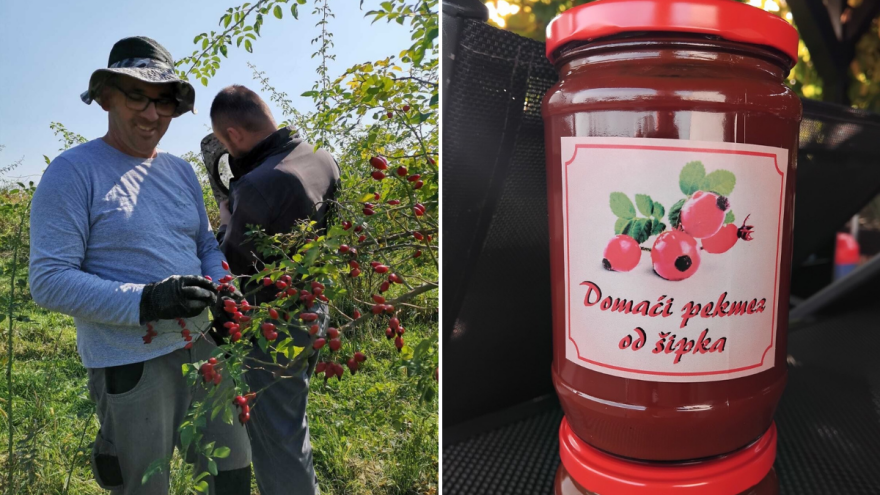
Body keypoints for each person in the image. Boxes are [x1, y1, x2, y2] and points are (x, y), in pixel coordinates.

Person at [28, 36, 251, 495]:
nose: (152, 114)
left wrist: (223, 285)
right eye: (136, 97)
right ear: (107, 97)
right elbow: (48, 281)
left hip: (203, 348)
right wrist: (148, 300)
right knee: (145, 486)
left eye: (164, 102)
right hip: (130, 362)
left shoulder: (180, 171)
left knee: (231, 475)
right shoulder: (74, 172)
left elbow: (205, 243)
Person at [209, 84, 340, 495]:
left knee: (277, 444)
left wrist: (225, 218)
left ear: (231, 136)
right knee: (290, 427)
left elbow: (235, 272)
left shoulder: (257, 186)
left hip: (272, 327)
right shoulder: (322, 156)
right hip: (312, 307)